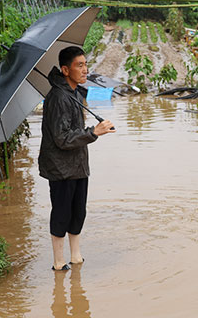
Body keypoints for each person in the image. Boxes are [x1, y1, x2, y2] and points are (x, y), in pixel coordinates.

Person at [39, 46, 115, 271]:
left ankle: (76, 256)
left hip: (78, 165)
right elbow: (62, 139)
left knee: (78, 211)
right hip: (61, 169)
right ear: (65, 70)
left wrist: (92, 131)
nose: (85, 70)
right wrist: (93, 132)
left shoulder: (74, 94)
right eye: (78, 65)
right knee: (62, 212)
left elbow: (73, 133)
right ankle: (58, 261)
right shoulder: (57, 98)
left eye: (85, 64)